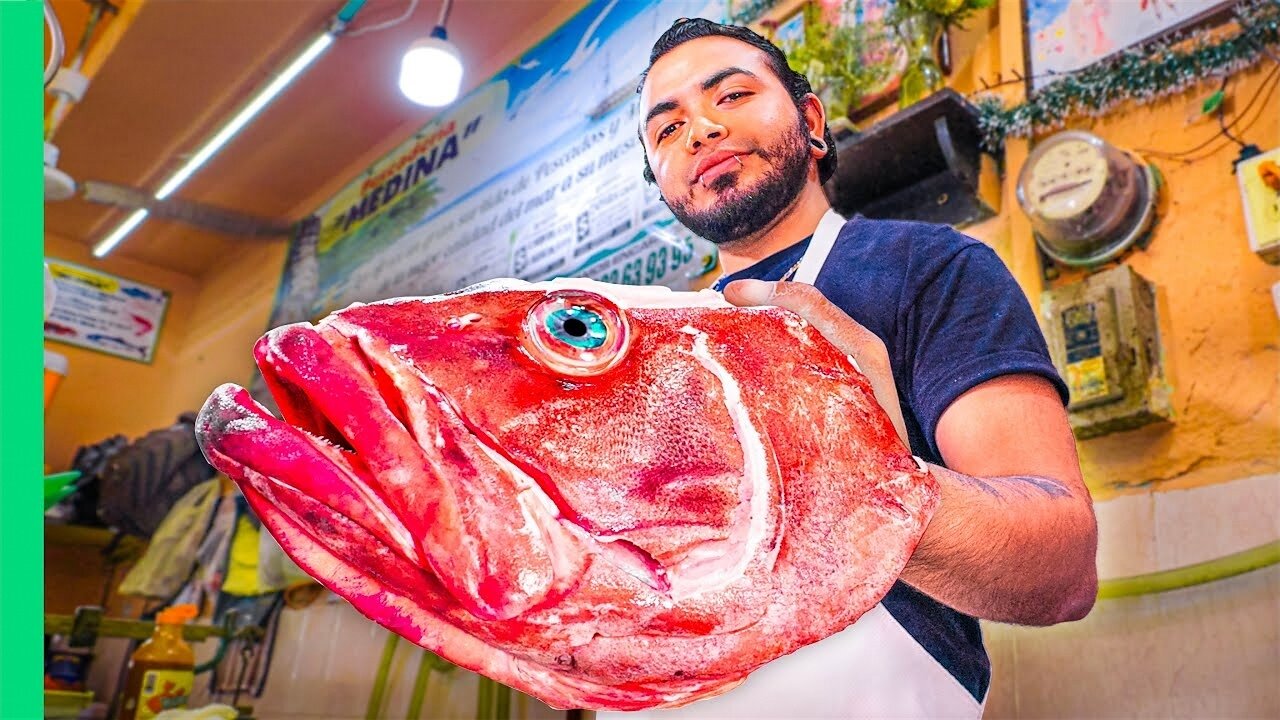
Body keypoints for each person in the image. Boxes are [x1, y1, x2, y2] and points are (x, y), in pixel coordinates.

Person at [613, 18, 1100, 718]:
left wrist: (855, 471)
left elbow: (1058, 570)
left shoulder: (931, 269)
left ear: (811, 122)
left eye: (731, 96)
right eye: (667, 130)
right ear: (660, 185)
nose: (699, 131)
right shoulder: (644, 348)